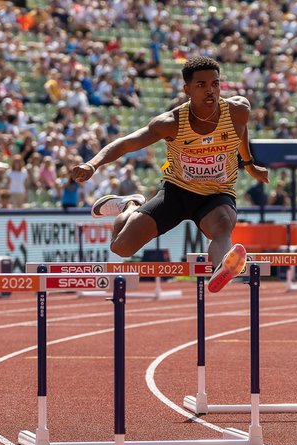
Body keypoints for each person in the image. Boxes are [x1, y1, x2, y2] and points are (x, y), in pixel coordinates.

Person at [70, 56, 269, 292]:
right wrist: (92, 164)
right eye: (201, 85)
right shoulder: (171, 123)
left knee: (223, 223)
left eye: (215, 84)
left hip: (217, 193)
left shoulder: (237, 110)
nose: (210, 91)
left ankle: (221, 268)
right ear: (187, 89)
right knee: (121, 248)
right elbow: (126, 144)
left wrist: (248, 164)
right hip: (176, 192)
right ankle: (130, 206)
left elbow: (240, 131)